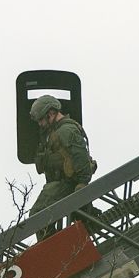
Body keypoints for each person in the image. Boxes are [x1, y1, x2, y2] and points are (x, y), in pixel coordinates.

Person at [28, 95, 97, 234]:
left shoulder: (66, 131)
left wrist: (81, 189)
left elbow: (81, 160)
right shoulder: (55, 132)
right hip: (60, 184)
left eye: (41, 119)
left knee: (37, 216)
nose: (40, 123)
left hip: (66, 184)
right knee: (40, 218)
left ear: (51, 113)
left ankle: (52, 253)